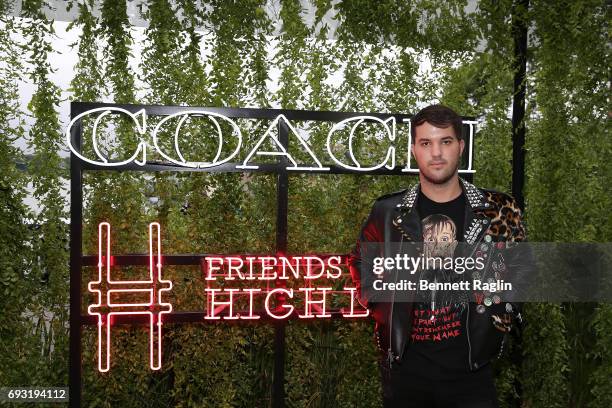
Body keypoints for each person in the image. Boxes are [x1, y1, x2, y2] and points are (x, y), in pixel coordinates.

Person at [348, 104, 530, 408]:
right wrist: (380, 303)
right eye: (426, 143)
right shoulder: (388, 212)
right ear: (413, 150)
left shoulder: (497, 209)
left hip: (472, 373)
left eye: (445, 142)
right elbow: (359, 261)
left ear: (460, 147)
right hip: (405, 374)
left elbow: (523, 270)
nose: (436, 153)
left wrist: (499, 315)